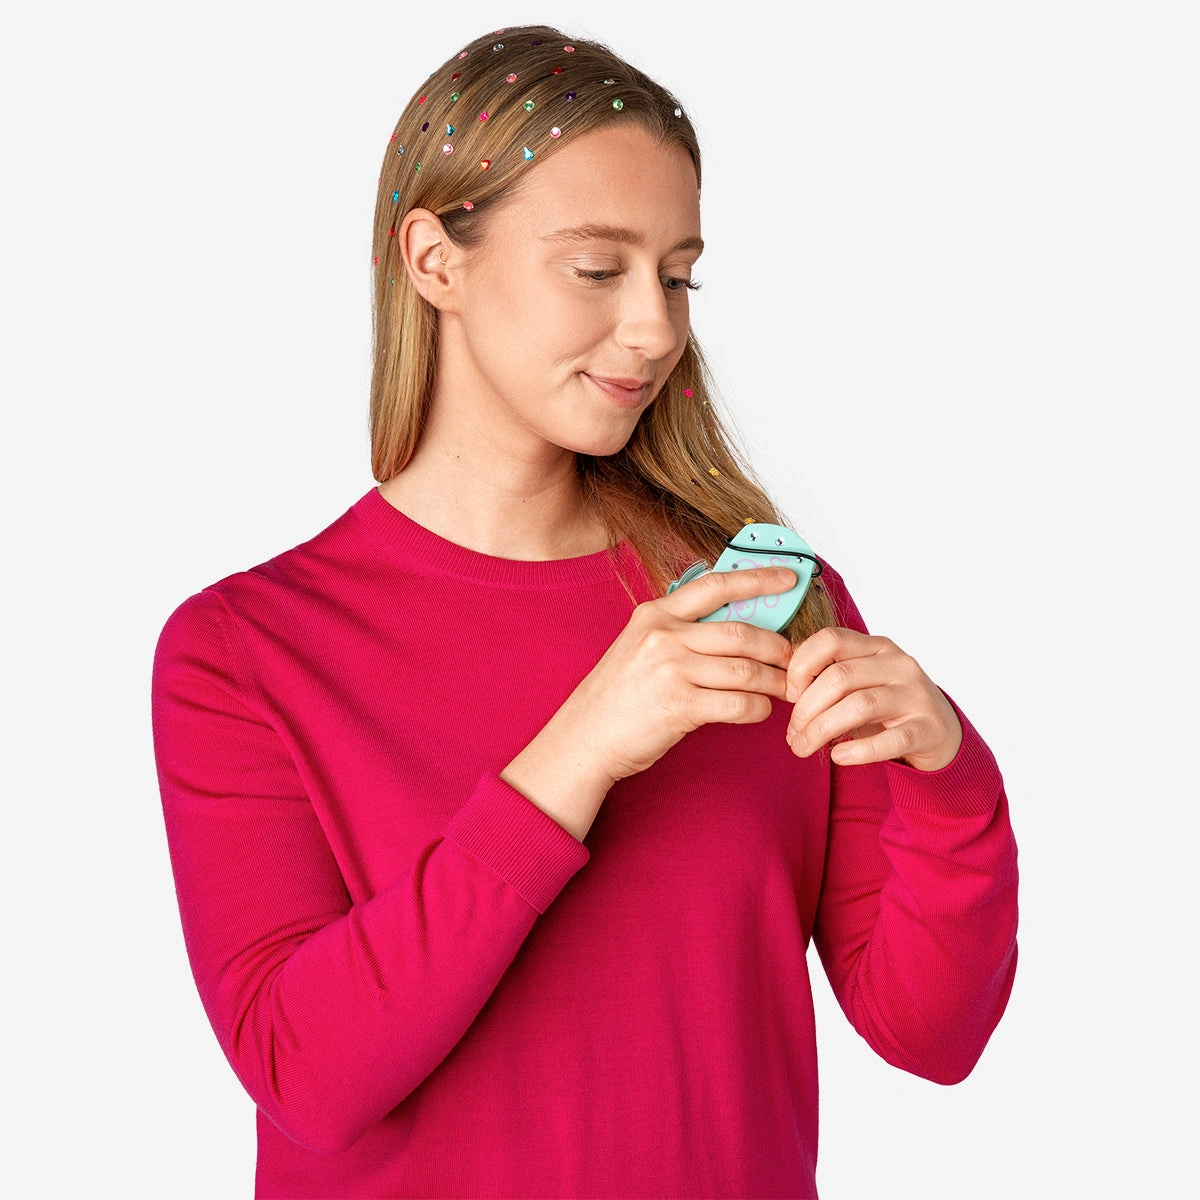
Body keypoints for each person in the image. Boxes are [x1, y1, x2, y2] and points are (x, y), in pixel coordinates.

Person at [152, 24, 1018, 1200]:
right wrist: (583, 747)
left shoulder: (758, 601)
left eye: (678, 275)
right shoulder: (245, 652)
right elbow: (304, 1075)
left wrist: (949, 780)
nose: (656, 328)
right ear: (434, 261)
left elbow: (930, 1035)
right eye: (598, 269)